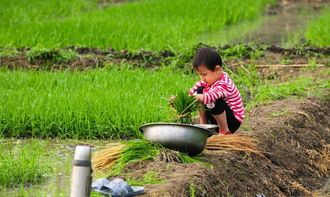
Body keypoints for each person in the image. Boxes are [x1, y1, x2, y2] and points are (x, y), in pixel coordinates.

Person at [189, 47, 244, 135]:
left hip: (232, 121)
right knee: (198, 91)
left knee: (212, 100)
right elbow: (192, 92)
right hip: (218, 115)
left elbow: (209, 97)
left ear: (217, 69)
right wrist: (182, 99)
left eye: (204, 74)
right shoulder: (209, 80)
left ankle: (225, 130)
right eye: (200, 75)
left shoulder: (224, 84)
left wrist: (196, 97)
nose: (202, 78)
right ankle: (204, 124)